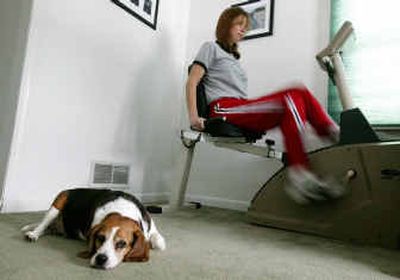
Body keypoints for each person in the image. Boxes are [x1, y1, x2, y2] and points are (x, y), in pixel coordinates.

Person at [186, 7, 343, 204]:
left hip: (239, 106)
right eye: (238, 24)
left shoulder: (235, 59)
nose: (243, 30)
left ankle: (332, 133)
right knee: (290, 98)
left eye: (246, 27)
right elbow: (192, 81)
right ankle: (300, 173)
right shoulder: (210, 47)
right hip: (222, 107)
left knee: (298, 93)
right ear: (226, 25)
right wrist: (194, 117)